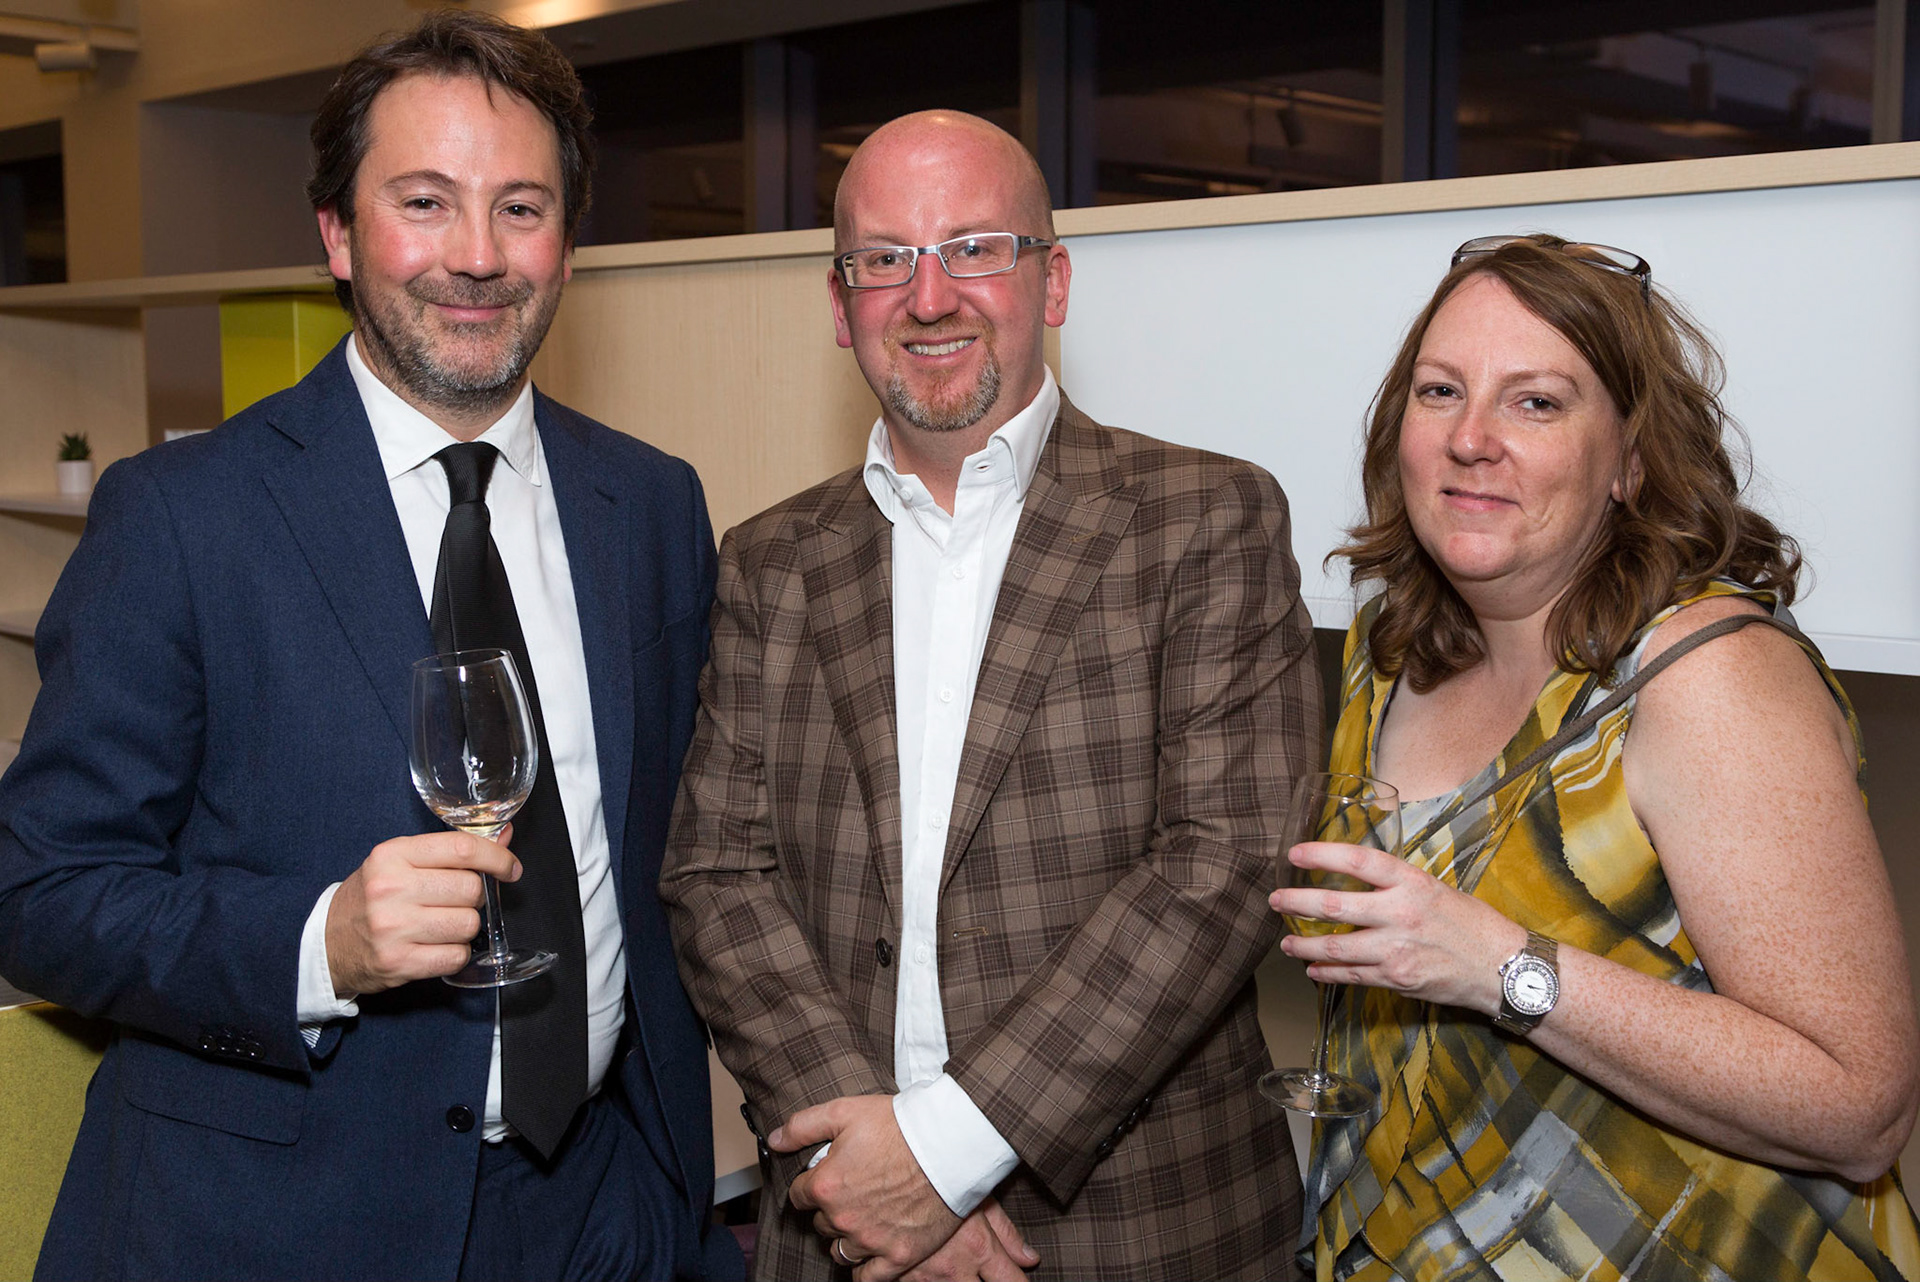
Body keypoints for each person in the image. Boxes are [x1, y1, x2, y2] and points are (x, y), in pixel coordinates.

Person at [0, 12, 740, 1281]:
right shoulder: (183, 517)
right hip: (278, 1222)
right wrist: (320, 943)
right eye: (425, 201)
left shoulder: (652, 505)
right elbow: (37, 890)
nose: (477, 256)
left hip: (600, 1202)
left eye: (520, 208)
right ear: (338, 235)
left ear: (568, 244)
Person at [659, 108, 1319, 1282]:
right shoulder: (770, 558)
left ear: (1051, 281)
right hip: (841, 1219)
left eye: (973, 248)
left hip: (1142, 1231)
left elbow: (1225, 860)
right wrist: (868, 1167)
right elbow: (717, 875)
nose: (928, 297)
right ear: (840, 302)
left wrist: (945, 1155)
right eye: (884, 259)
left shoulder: (1204, 519)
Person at [1273, 233, 1920, 1280]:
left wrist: (1501, 967)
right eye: (1441, 392)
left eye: (1536, 402)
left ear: (1629, 460)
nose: (1471, 439)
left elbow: (1859, 1109)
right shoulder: (1387, 651)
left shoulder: (1706, 678)